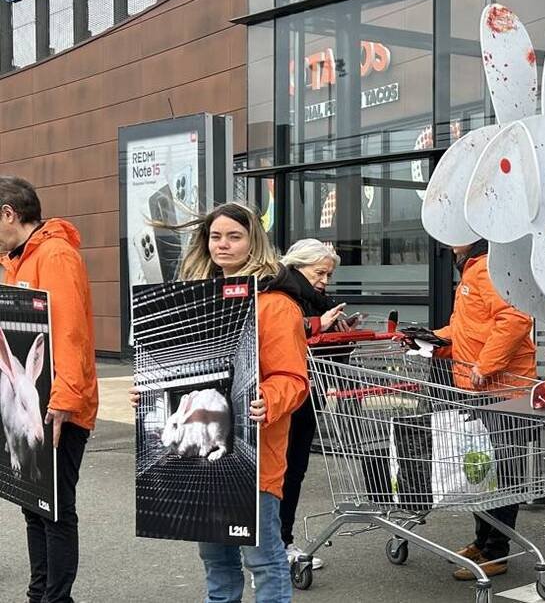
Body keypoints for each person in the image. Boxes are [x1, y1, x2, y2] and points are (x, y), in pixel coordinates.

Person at [130, 203, 309, 603]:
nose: (223, 245)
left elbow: (294, 379)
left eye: (234, 236)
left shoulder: (275, 304)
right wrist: (148, 393)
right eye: (216, 236)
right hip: (201, 458)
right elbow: (174, 370)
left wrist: (267, 399)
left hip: (255, 458)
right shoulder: (198, 301)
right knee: (216, 561)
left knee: (264, 560)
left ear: (253, 241)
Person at [0, 177, 97, 603]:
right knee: (32, 503)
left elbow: (70, 332)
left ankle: (56, 599)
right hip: (34, 406)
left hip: (60, 407)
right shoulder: (18, 259)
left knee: (54, 509)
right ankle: (39, 593)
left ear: (8, 214)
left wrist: (64, 402)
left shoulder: (55, 255)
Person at [433, 239, 536, 580]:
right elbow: (470, 331)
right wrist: (431, 340)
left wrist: (486, 365)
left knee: (501, 474)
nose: (448, 239)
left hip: (503, 391)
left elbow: (515, 319)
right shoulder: (472, 271)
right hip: (481, 389)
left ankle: (496, 552)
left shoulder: (488, 269)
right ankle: (483, 542)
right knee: (481, 473)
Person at [274, 239, 351, 571]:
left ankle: (282, 541)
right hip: (282, 395)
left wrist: (342, 334)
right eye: (320, 272)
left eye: (329, 274)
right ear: (297, 266)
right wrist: (318, 326)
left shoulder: (316, 301)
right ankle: (272, 548)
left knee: (294, 470)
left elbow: (324, 352)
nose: (325, 280)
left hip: (307, 392)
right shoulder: (282, 297)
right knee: (281, 472)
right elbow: (281, 336)